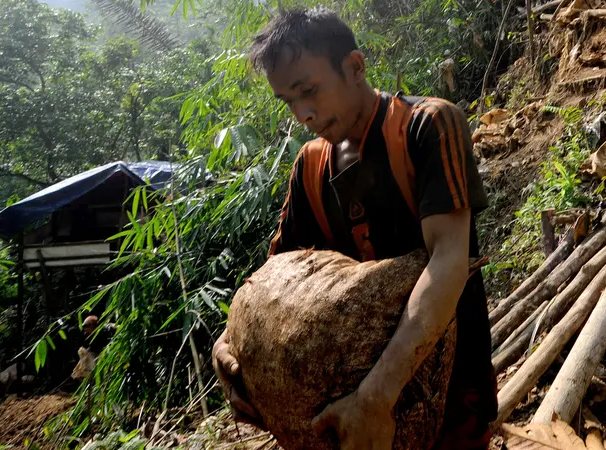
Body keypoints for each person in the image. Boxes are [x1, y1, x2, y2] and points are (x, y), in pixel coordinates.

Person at [212, 8, 496, 449]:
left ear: (355, 66)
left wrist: (376, 397)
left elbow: (448, 259)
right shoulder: (309, 168)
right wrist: (228, 343)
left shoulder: (427, 126)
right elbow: (272, 283)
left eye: (309, 91)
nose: (302, 114)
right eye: (288, 101)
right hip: (346, 407)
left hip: (450, 394)